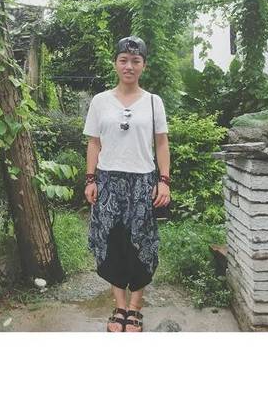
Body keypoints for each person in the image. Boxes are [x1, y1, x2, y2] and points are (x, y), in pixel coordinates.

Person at [82, 36, 170, 332]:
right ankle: (119, 306)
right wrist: (90, 179)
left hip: (142, 182)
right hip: (108, 181)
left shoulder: (154, 102)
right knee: (112, 244)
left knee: (142, 245)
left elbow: (161, 143)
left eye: (135, 61)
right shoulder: (100, 101)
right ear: (115, 64)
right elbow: (94, 143)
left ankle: (135, 307)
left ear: (144, 65)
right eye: (123, 60)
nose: (129, 66)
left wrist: (164, 181)